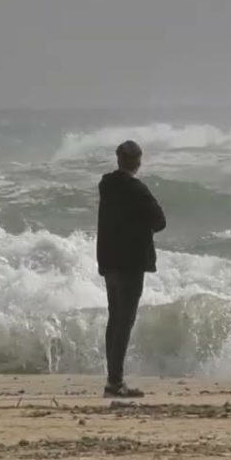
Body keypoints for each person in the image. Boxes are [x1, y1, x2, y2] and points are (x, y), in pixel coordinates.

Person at [96, 140, 166, 398]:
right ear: (137, 161)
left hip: (109, 260)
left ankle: (113, 378)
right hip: (131, 263)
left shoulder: (107, 186)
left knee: (115, 319)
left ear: (118, 160)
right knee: (125, 321)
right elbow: (159, 221)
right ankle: (114, 382)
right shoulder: (137, 189)